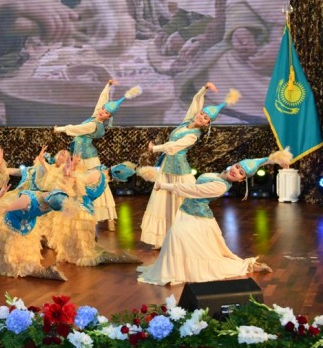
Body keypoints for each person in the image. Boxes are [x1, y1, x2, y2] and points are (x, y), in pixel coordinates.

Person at [137, 149, 291, 286]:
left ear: (241, 180)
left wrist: (164, 186)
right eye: (237, 166)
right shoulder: (217, 175)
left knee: (177, 235)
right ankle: (176, 269)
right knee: (189, 246)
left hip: (197, 218)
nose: (236, 171)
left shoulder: (220, 186)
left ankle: (245, 266)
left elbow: (193, 190)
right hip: (187, 213)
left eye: (241, 173)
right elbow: (191, 184)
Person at [140, 83, 239, 249]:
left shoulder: (193, 135)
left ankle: (181, 238)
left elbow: (174, 147)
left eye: (206, 118)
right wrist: (204, 89)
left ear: (207, 124)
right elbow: (195, 101)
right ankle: (162, 239)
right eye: (202, 114)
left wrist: (154, 148)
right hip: (167, 166)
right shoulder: (186, 123)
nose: (201, 117)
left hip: (179, 170)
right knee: (163, 201)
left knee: (179, 200)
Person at [54, 80, 142, 231]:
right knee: (78, 184)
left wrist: (59, 129)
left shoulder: (94, 125)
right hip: (80, 156)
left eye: (106, 112)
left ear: (109, 117)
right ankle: (80, 216)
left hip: (88, 158)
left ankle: (101, 218)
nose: (102, 112)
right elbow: (102, 101)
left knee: (94, 184)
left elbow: (77, 128)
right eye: (103, 109)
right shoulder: (96, 116)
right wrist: (108, 86)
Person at [46, 161, 142, 267]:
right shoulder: (103, 180)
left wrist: (69, 177)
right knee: (77, 237)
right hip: (81, 208)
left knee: (76, 236)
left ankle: (75, 256)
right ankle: (76, 256)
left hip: (78, 207)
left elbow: (79, 182)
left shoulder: (99, 174)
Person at [0, 185, 70, 281]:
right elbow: (3, 208)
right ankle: (34, 270)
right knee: (14, 259)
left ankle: (35, 270)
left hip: (26, 227)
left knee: (24, 258)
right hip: (13, 227)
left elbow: (5, 208)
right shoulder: (29, 200)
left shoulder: (44, 202)